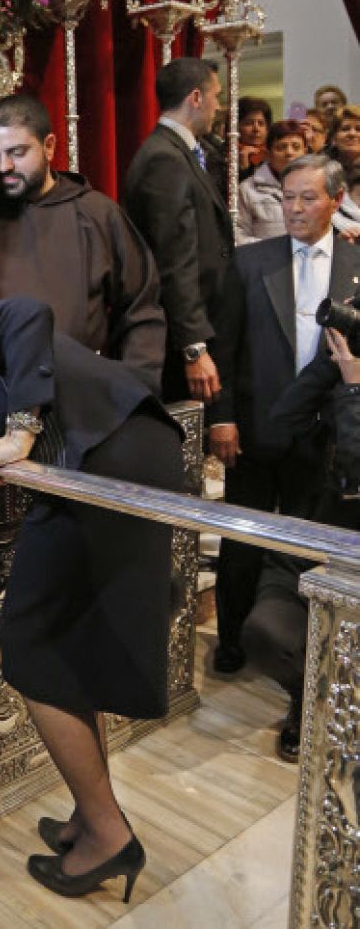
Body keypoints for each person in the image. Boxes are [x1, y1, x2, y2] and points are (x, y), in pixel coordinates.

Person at [0, 288, 186, 903]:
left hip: (100, 463)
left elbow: (28, 310)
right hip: (126, 453)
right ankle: (88, 813)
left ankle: (107, 834)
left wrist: (18, 435)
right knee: (67, 647)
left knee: (31, 650)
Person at [208, 154, 360, 679]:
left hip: (327, 438)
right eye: (287, 197)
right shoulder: (251, 262)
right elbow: (223, 347)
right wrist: (220, 418)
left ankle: (293, 658)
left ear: (336, 202)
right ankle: (231, 640)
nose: (294, 208)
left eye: (307, 198)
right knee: (242, 541)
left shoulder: (355, 265)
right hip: (253, 428)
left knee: (303, 549)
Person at [0, 93, 166, 391]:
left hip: (81, 395)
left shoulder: (98, 214)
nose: (3, 167)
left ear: (49, 146)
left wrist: (133, 389)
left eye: (17, 152)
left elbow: (141, 309)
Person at [241, 324, 360, 759]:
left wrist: (352, 389)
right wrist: (329, 364)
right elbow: (283, 419)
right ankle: (308, 699)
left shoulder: (354, 386)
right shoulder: (346, 374)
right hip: (311, 546)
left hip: (354, 564)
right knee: (265, 633)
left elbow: (355, 476)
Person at [124, 58, 234, 404]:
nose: (220, 105)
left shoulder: (179, 152)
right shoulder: (164, 159)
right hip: (177, 341)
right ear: (196, 97)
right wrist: (193, 348)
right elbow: (175, 259)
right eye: (217, 95)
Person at [235, 119, 306, 244]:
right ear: (268, 153)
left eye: (296, 147)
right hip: (265, 260)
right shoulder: (247, 189)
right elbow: (238, 234)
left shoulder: (319, 187)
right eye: (281, 147)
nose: (289, 153)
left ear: (305, 152)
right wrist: (271, 251)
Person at [327, 104, 360, 236]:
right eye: (345, 129)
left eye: (358, 129)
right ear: (333, 138)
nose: (352, 133)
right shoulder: (321, 173)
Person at [236, 95, 272, 179]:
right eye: (248, 123)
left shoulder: (274, 154)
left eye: (261, 123)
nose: (256, 129)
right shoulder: (224, 155)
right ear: (236, 127)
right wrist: (243, 169)